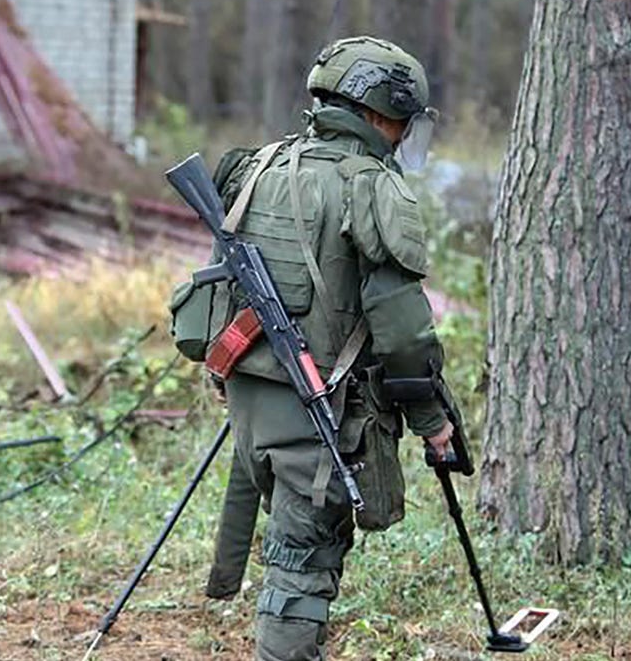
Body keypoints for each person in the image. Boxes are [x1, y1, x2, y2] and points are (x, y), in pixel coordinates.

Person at [185, 36, 454, 660]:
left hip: (248, 392)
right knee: (302, 562)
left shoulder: (260, 167)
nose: (402, 137)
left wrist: (225, 369)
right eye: (403, 122)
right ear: (382, 114)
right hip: (319, 406)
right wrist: (431, 419)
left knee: (291, 536)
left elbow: (219, 281)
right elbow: (402, 329)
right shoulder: (371, 187)